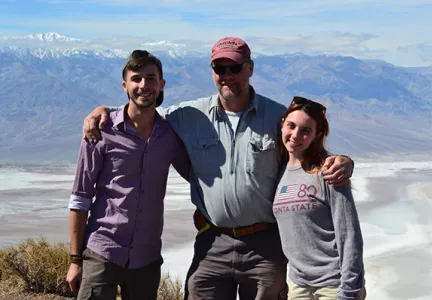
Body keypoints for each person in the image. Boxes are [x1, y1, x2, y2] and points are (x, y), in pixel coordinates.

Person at [82, 37, 355, 300]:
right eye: (219, 68)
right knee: (198, 289)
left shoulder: (277, 117)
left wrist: (343, 161)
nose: (227, 75)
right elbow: (142, 108)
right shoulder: (190, 115)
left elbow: (306, 146)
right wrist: (104, 110)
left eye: (234, 67)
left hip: (265, 245)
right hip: (213, 241)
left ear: (249, 68)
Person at [65, 50, 190, 300]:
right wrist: (75, 260)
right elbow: (80, 198)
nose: (144, 85)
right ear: (125, 86)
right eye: (136, 79)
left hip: (147, 258)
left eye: (150, 78)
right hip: (103, 252)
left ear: (161, 84)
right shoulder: (100, 131)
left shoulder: (170, 135)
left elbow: (196, 173)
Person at [274, 96, 365, 300]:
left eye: (305, 131)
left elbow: (349, 234)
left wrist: (348, 289)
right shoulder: (275, 171)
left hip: (334, 285)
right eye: (291, 126)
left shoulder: (329, 172)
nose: (295, 135)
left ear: (316, 136)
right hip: (299, 286)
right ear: (282, 125)